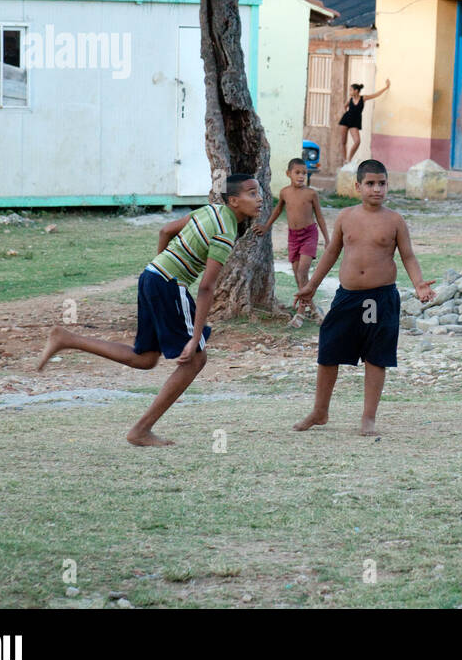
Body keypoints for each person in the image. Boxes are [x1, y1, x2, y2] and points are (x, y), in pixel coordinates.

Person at [36, 175, 263, 446]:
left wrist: (162, 266)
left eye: (259, 193)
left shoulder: (211, 210)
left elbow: (165, 231)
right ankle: (141, 430)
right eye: (252, 194)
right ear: (234, 200)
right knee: (196, 359)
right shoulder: (225, 232)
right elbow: (206, 288)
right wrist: (194, 338)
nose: (259, 199)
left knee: (144, 358)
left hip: (152, 274)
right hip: (167, 283)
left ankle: (67, 339)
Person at [293, 159, 434, 436]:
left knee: (376, 356)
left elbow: (408, 256)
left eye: (382, 183)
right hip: (347, 298)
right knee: (329, 350)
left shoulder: (394, 220)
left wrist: (419, 284)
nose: (376, 189)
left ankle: (368, 417)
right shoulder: (346, 217)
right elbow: (332, 253)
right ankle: (320, 410)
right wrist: (311, 285)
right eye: (370, 183)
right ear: (358, 186)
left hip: (380, 299)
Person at [254, 158, 330, 323]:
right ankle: (314, 309)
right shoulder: (284, 192)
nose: (301, 176)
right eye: (297, 172)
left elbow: (320, 216)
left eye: (304, 173)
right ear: (289, 174)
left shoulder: (311, 194)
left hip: (309, 235)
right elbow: (277, 210)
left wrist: (327, 239)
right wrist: (266, 226)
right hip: (293, 237)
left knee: (303, 271)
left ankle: (301, 312)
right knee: (297, 275)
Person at [338, 79, 391, 165]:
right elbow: (345, 106)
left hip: (355, 121)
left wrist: (386, 87)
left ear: (356, 91)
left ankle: (349, 158)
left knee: (357, 141)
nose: (350, 91)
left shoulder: (363, 98)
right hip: (346, 120)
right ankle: (345, 161)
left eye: (351, 90)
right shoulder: (350, 99)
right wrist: (346, 114)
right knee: (343, 142)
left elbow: (375, 95)